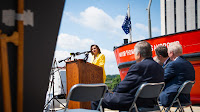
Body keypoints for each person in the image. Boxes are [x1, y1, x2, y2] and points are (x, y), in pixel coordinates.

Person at [91, 41, 164, 111]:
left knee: (97, 97)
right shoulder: (160, 68)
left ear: (139, 54)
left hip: (133, 101)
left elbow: (123, 86)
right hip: (151, 102)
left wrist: (113, 92)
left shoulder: (138, 66)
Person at [159, 42, 195, 107]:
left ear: (171, 53)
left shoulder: (173, 64)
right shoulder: (189, 64)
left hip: (172, 98)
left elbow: (161, 79)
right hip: (185, 99)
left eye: (168, 52)